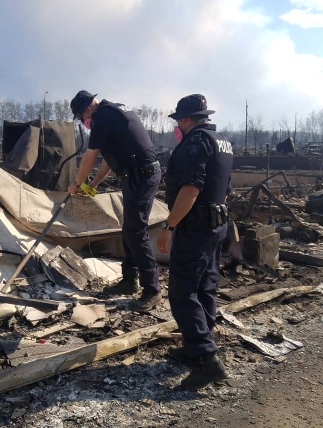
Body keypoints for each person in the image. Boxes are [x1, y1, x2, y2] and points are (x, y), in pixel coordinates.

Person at [157, 94, 234, 391]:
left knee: (182, 290)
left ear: (186, 119)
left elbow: (190, 188)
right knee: (205, 285)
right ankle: (198, 342)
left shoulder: (195, 143)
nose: (177, 126)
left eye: (178, 121)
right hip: (216, 223)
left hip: (196, 225)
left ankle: (206, 360)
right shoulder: (223, 141)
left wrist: (169, 226)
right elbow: (224, 189)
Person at [68, 90, 162, 312]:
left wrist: (77, 183)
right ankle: (129, 281)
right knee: (129, 228)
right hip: (136, 175)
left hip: (142, 175)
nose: (84, 123)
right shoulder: (113, 112)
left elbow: (90, 157)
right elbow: (109, 161)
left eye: (81, 119)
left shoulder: (103, 117)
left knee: (136, 231)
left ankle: (153, 289)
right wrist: (92, 185)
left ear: (86, 110)